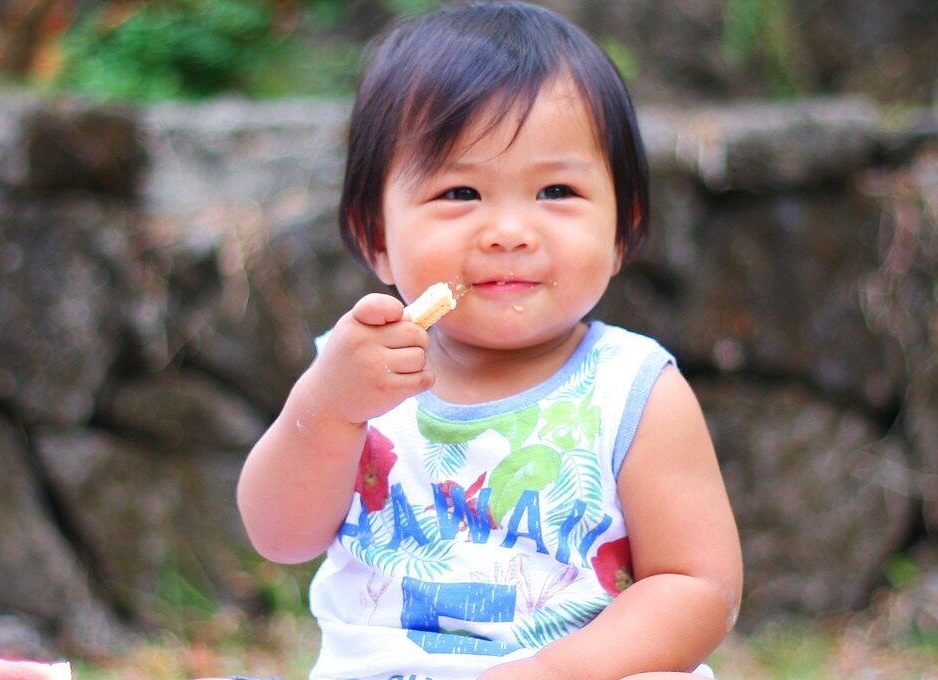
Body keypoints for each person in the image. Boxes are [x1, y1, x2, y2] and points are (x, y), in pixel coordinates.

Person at [236, 3, 742, 678]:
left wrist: (546, 674)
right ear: (375, 237)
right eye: (460, 191)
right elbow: (280, 538)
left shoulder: (634, 389)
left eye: (555, 190)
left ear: (623, 228)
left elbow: (698, 587)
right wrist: (325, 409)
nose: (509, 230)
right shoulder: (356, 376)